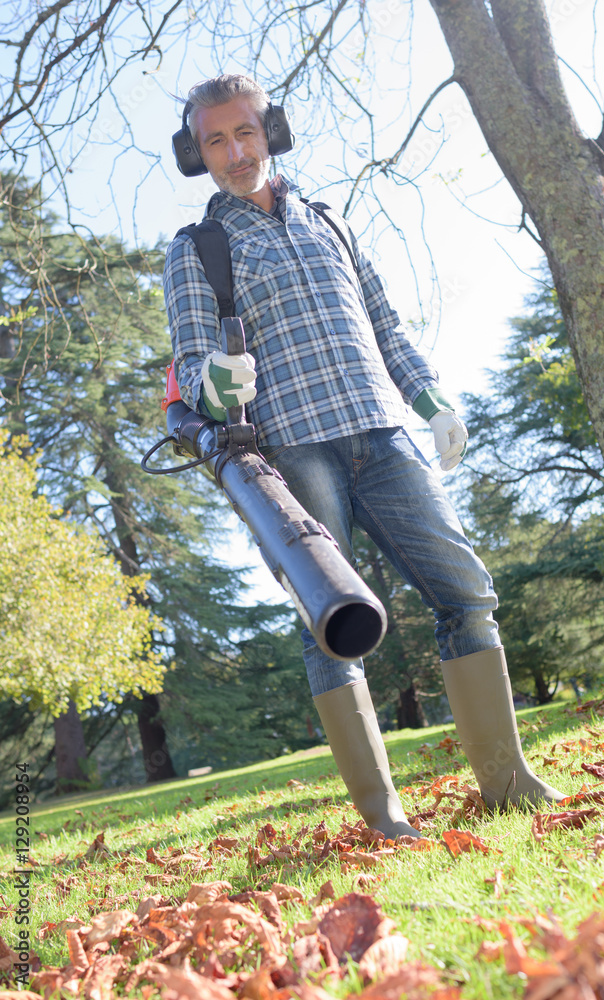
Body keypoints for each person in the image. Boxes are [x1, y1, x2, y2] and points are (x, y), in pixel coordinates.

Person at [163, 73, 564, 839]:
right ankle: (384, 819)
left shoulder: (329, 223)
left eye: (244, 131)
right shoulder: (197, 249)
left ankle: (508, 785)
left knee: (465, 593)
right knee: (330, 626)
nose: (234, 150)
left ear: (268, 131)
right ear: (199, 153)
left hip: (383, 434)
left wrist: (434, 402)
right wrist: (210, 380)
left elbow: (385, 328)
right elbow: (189, 364)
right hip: (290, 450)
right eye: (215, 140)